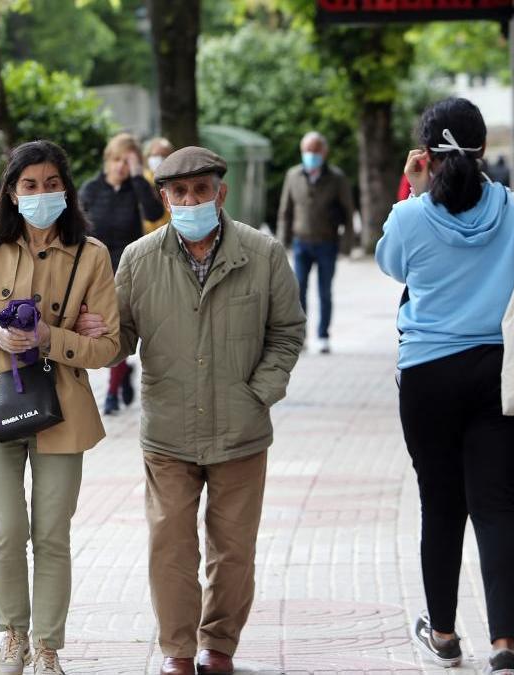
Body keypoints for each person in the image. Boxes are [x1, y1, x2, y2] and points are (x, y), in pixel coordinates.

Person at [87, 146, 305, 675]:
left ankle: (219, 646)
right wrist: (94, 334)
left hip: (241, 429)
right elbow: (123, 340)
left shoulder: (263, 253)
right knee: (170, 548)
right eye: (179, 193)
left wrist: (260, 391)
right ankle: (178, 651)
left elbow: (287, 331)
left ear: (219, 193)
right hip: (168, 432)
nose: (191, 201)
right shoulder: (138, 260)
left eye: (201, 190)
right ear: (164, 198)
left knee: (233, 552)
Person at [376, 98, 514, 675]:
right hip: (507, 372)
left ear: (425, 155)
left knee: (441, 503)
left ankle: (446, 634)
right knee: (498, 505)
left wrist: (410, 191)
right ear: (486, 150)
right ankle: (505, 647)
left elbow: (391, 266)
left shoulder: (410, 216)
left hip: (430, 377)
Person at [0, 140, 120, 675]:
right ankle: (12, 636)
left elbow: (109, 347)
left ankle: (47, 647)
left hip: (62, 408)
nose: (42, 193)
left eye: (51, 183)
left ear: (66, 188)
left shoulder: (92, 254)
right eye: (30, 185)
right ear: (12, 193)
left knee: (51, 532)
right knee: (6, 527)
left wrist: (50, 337)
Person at [78, 133, 165, 416]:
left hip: (130, 269)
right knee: (104, 331)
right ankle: (121, 371)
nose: (120, 167)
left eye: (126, 162)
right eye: (116, 160)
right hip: (99, 271)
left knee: (116, 329)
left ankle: (112, 393)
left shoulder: (136, 188)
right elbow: (76, 231)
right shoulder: (91, 190)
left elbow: (154, 212)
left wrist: (139, 177)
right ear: (107, 161)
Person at [276, 131, 356, 354]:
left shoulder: (337, 178)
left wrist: (347, 246)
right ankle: (300, 338)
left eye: (315, 150)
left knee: (324, 291)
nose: (310, 154)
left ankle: (323, 336)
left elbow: (349, 213)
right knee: (298, 291)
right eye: (307, 150)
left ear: (324, 151)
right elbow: (285, 211)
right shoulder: (293, 175)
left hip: (327, 243)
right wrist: (282, 244)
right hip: (301, 243)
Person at [143, 137, 174, 234]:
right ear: (148, 157)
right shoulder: (142, 180)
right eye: (155, 155)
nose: (159, 159)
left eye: (164, 155)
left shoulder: (177, 181)